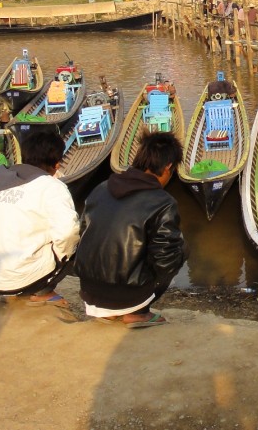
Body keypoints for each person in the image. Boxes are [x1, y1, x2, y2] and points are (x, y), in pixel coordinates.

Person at [0, 129, 79, 307]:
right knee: (73, 238)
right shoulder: (52, 187)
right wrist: (60, 252)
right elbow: (67, 232)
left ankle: (23, 286)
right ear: (57, 165)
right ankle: (43, 291)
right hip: (23, 277)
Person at [76, 132, 187, 328]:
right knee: (181, 248)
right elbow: (166, 260)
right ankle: (138, 312)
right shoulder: (164, 203)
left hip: (89, 291)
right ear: (168, 167)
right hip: (128, 296)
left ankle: (108, 312)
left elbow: (83, 231)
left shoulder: (101, 188)